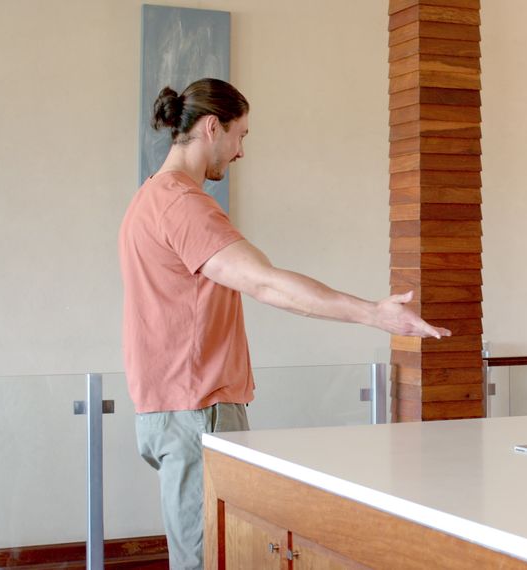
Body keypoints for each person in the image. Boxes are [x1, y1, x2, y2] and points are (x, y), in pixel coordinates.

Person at [118, 78, 450, 569]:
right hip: (197, 408)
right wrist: (375, 314)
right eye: (241, 136)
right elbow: (267, 284)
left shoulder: (147, 199)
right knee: (208, 560)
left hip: (169, 410)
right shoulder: (182, 206)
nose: (240, 152)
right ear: (213, 127)